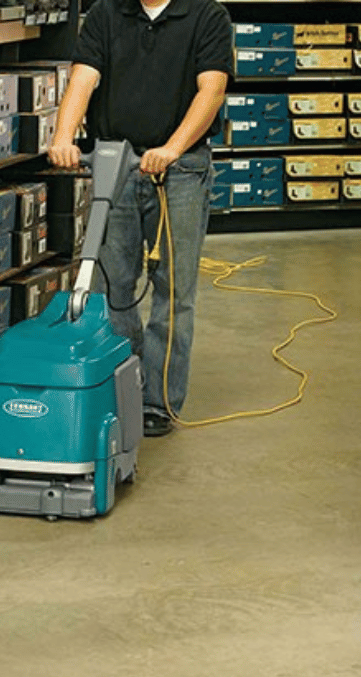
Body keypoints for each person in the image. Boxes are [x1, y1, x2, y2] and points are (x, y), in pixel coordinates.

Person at [48, 0, 234, 437]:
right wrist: (62, 136)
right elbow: (83, 78)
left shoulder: (207, 15)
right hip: (115, 162)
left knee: (174, 289)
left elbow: (212, 89)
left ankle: (158, 401)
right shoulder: (106, 13)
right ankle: (121, 385)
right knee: (111, 284)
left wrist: (172, 147)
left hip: (180, 171)